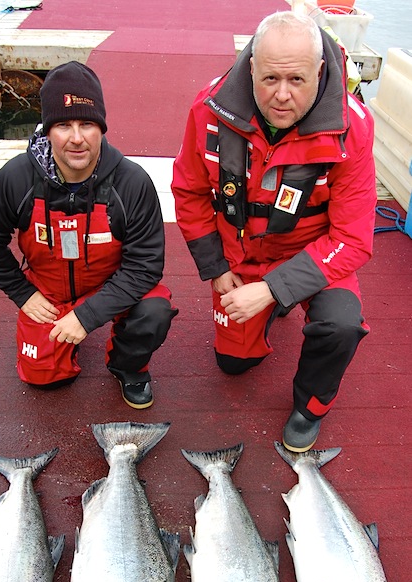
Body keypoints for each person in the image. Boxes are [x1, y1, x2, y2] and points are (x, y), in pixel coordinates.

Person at [171, 11, 376, 450]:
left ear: (319, 72)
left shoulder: (353, 127)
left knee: (341, 324)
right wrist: (215, 266)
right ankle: (273, 308)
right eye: (270, 79)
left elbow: (353, 239)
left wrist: (271, 289)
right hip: (241, 255)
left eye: (297, 80)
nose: (282, 95)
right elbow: (189, 191)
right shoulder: (207, 109)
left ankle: (310, 408)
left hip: (314, 252)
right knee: (233, 364)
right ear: (251, 69)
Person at [0, 60, 177, 408]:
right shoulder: (16, 178)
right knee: (44, 380)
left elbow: (145, 267)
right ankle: (57, 344)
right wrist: (22, 293)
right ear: (47, 130)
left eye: (87, 124)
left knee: (153, 311)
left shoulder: (132, 183)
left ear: (102, 128)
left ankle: (127, 365)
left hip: (109, 283)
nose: (77, 138)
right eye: (64, 125)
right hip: (48, 291)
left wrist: (86, 316)